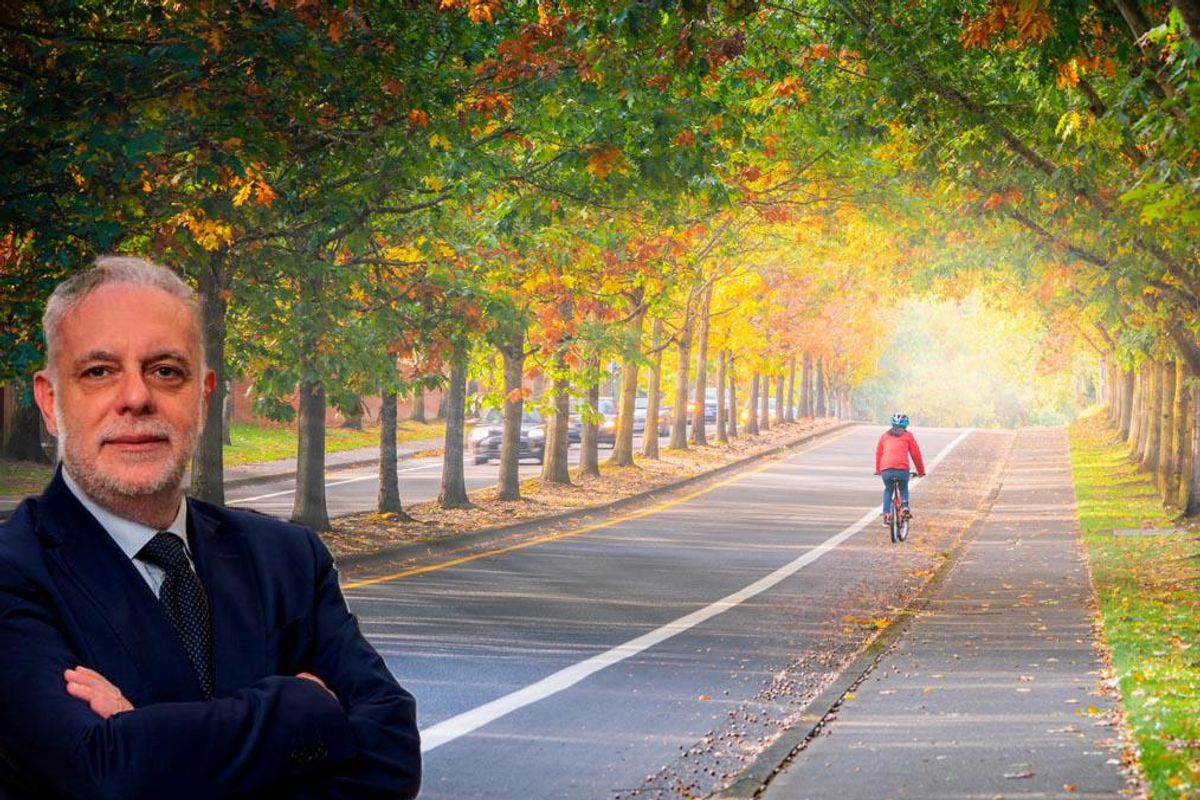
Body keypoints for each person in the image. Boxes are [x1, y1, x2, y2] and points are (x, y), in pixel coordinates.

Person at [0, 256, 420, 799]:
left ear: (203, 396)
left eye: (166, 371)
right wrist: (306, 706)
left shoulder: (290, 560)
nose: (136, 397)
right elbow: (105, 773)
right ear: (51, 401)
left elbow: (391, 756)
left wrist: (150, 740)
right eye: (99, 371)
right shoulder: (13, 573)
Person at [874, 413, 926, 527]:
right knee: (903, 488)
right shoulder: (908, 436)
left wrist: (878, 470)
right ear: (906, 426)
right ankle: (905, 509)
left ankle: (886, 515)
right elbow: (916, 454)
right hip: (902, 470)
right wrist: (921, 471)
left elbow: (879, 453)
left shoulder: (884, 436)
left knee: (888, 489)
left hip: (886, 470)